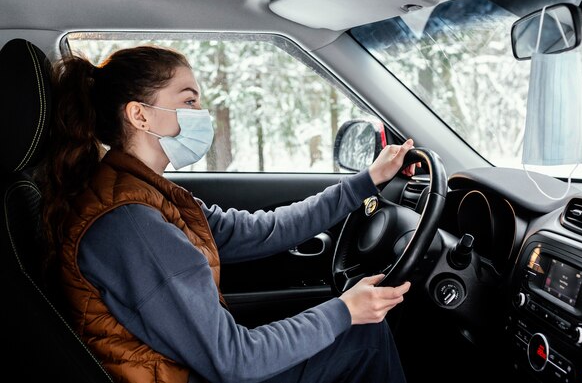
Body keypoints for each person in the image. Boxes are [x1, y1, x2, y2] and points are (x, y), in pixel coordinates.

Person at [39, 45, 415, 383]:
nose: (201, 115)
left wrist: (366, 181)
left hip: (188, 368)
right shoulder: (131, 221)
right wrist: (345, 311)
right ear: (140, 115)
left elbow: (263, 231)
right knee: (364, 336)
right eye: (188, 102)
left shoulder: (144, 192)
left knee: (358, 330)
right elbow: (233, 360)